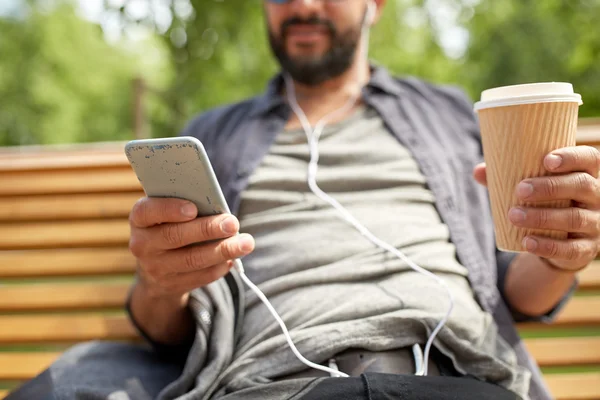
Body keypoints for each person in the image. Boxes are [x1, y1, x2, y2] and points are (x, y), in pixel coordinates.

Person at [8, 1, 600, 399]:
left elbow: (515, 290)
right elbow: (164, 329)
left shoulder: (446, 112)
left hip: (455, 371)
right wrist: (163, 280)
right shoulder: (217, 133)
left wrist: (558, 253)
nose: (301, 4)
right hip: (272, 383)